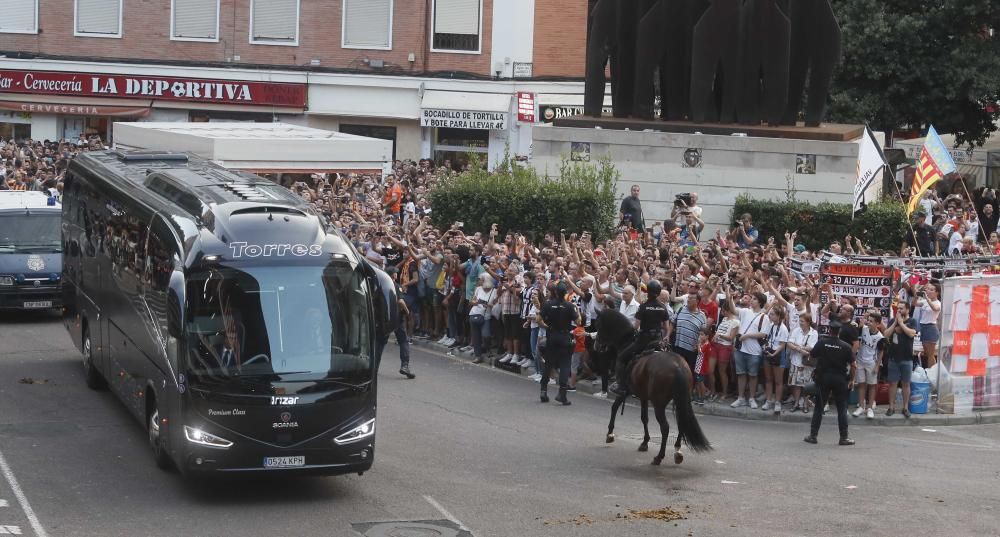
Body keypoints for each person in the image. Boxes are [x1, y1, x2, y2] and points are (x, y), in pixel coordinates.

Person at [610, 279, 671, 396]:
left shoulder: (643, 307)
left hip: (643, 340)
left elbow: (636, 326)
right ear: (658, 293)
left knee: (622, 357)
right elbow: (666, 327)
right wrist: (665, 335)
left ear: (647, 292)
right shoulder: (663, 307)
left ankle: (621, 385)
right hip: (657, 340)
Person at [804, 321, 857, 446]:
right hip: (840, 379)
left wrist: (818, 367)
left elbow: (811, 356)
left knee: (819, 407)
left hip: (823, 378)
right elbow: (854, 365)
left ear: (829, 330)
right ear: (839, 332)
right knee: (842, 409)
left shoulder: (822, 342)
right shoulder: (846, 346)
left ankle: (813, 436)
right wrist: (851, 379)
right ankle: (843, 438)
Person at [539, 281, 580, 405]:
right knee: (565, 364)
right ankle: (562, 395)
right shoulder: (569, 306)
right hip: (564, 336)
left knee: (548, 364)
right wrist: (577, 311)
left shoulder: (548, 304)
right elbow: (578, 322)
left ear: (555, 292)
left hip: (552, 335)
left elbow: (538, 320)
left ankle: (543, 391)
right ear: (566, 292)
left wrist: (547, 327)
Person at [883, 302, 918, 418]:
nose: (899, 310)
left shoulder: (912, 321)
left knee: (906, 384)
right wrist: (895, 324)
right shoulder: (893, 320)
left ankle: (905, 408)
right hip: (893, 358)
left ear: (907, 310)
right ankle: (891, 407)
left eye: (901, 308)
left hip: (907, 358)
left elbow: (912, 333)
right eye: (898, 308)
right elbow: (886, 334)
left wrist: (902, 325)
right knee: (892, 383)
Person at [384, 266, 416, 378]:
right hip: (397, 318)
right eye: (395, 273)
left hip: (385, 318)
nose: (396, 275)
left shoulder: (381, 285)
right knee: (403, 341)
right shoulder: (395, 286)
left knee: (380, 342)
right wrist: (407, 312)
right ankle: (405, 366)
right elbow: (401, 301)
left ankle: (373, 365)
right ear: (393, 275)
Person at [852, 310, 885, 419]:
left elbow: (881, 352)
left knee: (872, 385)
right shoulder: (863, 329)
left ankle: (870, 408)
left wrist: (877, 366)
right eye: (868, 320)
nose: (869, 322)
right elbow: (858, 328)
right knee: (861, 384)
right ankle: (861, 406)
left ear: (877, 324)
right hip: (860, 361)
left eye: (871, 321)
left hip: (871, 362)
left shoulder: (880, 337)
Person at [786, 314, 818, 413]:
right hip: (795, 360)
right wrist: (799, 349)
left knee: (806, 385)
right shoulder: (796, 330)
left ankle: (805, 403)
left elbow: (811, 347)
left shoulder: (814, 333)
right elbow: (789, 343)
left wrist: (796, 346)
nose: (800, 323)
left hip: (807, 363)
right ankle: (796, 403)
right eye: (799, 321)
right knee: (795, 384)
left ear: (808, 322)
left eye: (802, 321)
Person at [673, 292, 708, 374]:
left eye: (691, 298)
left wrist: (699, 344)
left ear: (697, 301)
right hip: (678, 347)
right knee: (676, 372)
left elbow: (703, 333)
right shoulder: (681, 309)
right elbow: (672, 322)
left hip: (692, 350)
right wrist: (668, 335)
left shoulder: (702, 316)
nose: (688, 300)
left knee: (688, 373)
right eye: (688, 298)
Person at [915, 283, 941, 368]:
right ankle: (928, 370)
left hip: (931, 327)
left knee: (930, 354)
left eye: (931, 290)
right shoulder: (925, 302)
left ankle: (931, 372)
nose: (929, 291)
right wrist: (916, 294)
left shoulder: (938, 303)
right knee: (926, 352)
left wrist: (927, 298)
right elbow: (914, 304)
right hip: (923, 327)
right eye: (928, 289)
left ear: (937, 293)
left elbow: (935, 309)